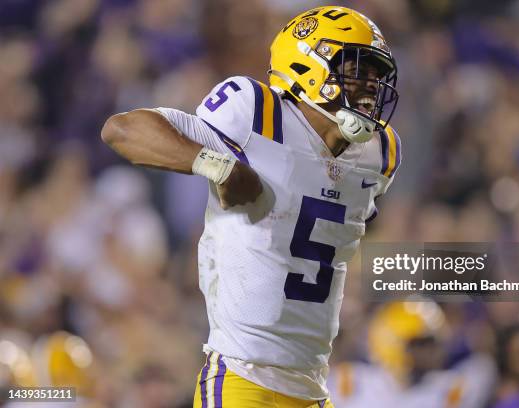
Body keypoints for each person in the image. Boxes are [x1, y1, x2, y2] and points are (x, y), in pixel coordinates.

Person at [101, 6, 401, 408]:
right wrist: (219, 166)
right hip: (243, 378)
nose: (370, 86)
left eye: (377, 75)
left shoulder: (380, 154)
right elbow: (123, 129)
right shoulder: (258, 112)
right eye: (357, 69)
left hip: (313, 386)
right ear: (307, 63)